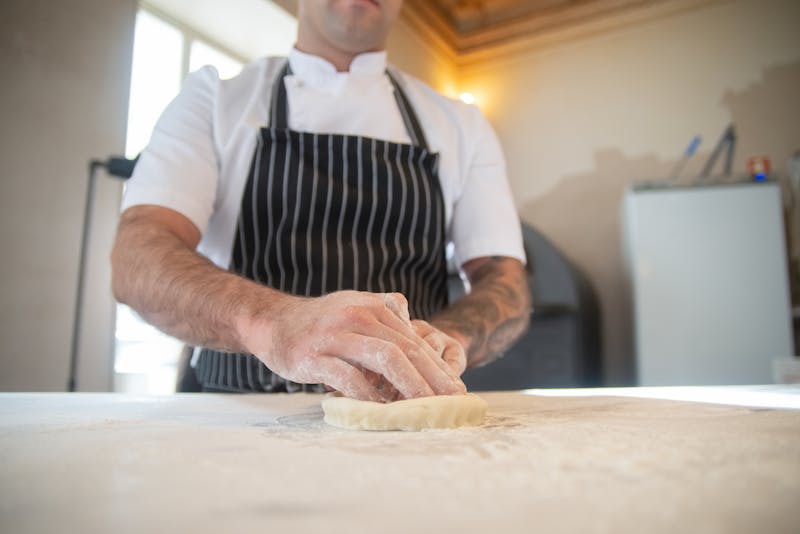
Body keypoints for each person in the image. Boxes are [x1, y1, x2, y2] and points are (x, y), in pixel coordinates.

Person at [111, 0, 530, 401]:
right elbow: (138, 256)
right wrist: (272, 323)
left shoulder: (462, 125)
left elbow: (505, 282)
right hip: (235, 412)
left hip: (406, 417)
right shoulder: (214, 99)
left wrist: (448, 338)